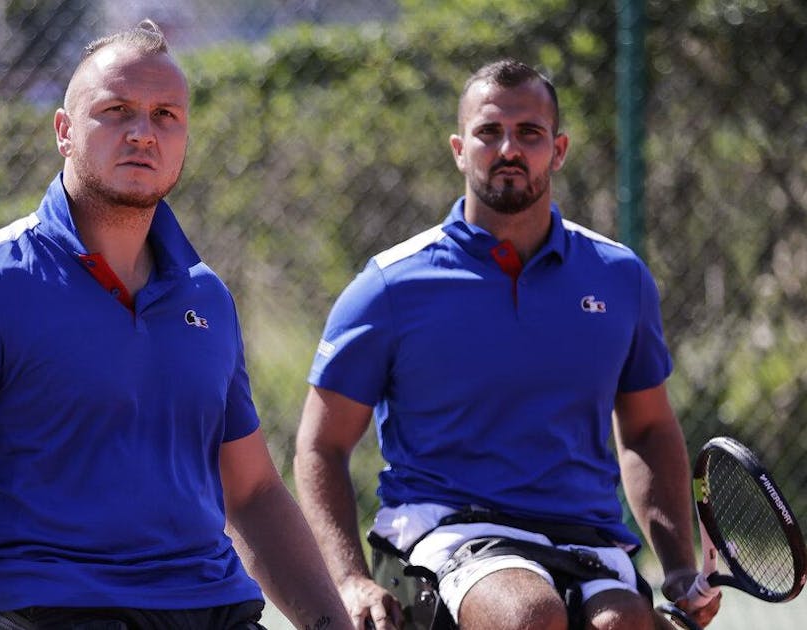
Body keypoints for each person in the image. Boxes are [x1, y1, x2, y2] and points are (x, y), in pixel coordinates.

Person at [0, 20, 349, 630]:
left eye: (165, 115)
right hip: (59, 609)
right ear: (64, 132)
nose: (143, 133)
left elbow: (252, 493)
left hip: (213, 607)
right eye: (116, 110)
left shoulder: (207, 296)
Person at [293, 59, 722, 630]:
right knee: (528, 614)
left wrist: (676, 570)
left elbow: (646, 429)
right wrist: (349, 579)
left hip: (585, 538)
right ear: (458, 148)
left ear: (559, 149)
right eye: (489, 132)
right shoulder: (389, 284)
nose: (508, 149)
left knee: (624, 626)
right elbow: (319, 448)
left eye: (529, 133)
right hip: (445, 529)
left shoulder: (621, 277)